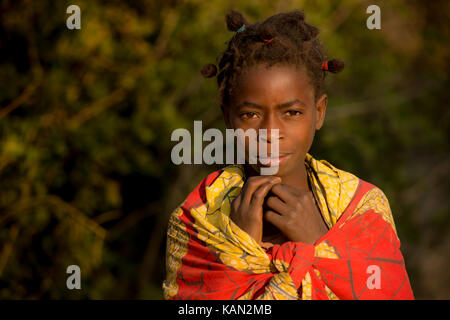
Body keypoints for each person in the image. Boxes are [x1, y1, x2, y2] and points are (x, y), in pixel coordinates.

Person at [162, 9, 414, 300]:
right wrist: (237, 250)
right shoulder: (200, 218)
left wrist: (321, 243)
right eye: (251, 114)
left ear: (318, 112)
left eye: (292, 112)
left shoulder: (361, 210)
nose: (270, 132)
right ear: (228, 118)